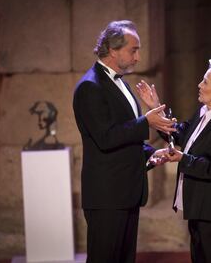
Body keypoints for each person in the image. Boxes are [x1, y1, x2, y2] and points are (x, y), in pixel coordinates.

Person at [73, 20, 175, 263]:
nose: (138, 57)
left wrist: (150, 154)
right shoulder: (90, 87)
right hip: (107, 196)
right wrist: (146, 122)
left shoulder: (121, 83)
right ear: (113, 50)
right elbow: (106, 137)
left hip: (126, 191)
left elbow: (125, 136)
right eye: (133, 50)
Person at [137, 56, 211, 263]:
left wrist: (182, 158)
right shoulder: (205, 112)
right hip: (199, 207)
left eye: (205, 81)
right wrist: (158, 108)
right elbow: (182, 134)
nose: (199, 84)